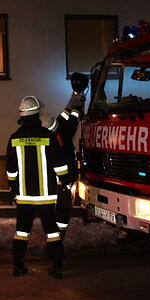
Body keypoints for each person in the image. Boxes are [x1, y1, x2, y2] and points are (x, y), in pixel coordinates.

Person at [6, 95, 70, 278]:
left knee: (21, 231)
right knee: (52, 231)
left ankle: (18, 266)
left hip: (24, 197)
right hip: (46, 197)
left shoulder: (15, 138)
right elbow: (59, 165)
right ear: (37, 115)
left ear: (22, 116)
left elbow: (11, 169)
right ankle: (56, 267)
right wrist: (64, 181)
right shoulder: (48, 136)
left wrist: (13, 187)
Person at [47, 75, 87, 239]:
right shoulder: (62, 138)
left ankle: (56, 238)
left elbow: (64, 117)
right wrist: (78, 104)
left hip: (57, 183)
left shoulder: (52, 134)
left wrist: (73, 100)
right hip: (63, 183)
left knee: (59, 213)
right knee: (63, 212)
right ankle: (57, 240)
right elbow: (72, 121)